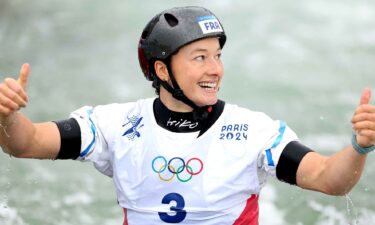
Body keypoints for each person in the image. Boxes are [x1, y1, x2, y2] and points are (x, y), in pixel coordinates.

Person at [0, 6, 375, 225]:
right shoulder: (114, 125)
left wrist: (359, 147)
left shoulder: (253, 132)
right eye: (200, 58)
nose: (215, 69)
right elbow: (26, 143)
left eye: (218, 56)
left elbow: (330, 180)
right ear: (162, 71)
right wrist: (7, 115)